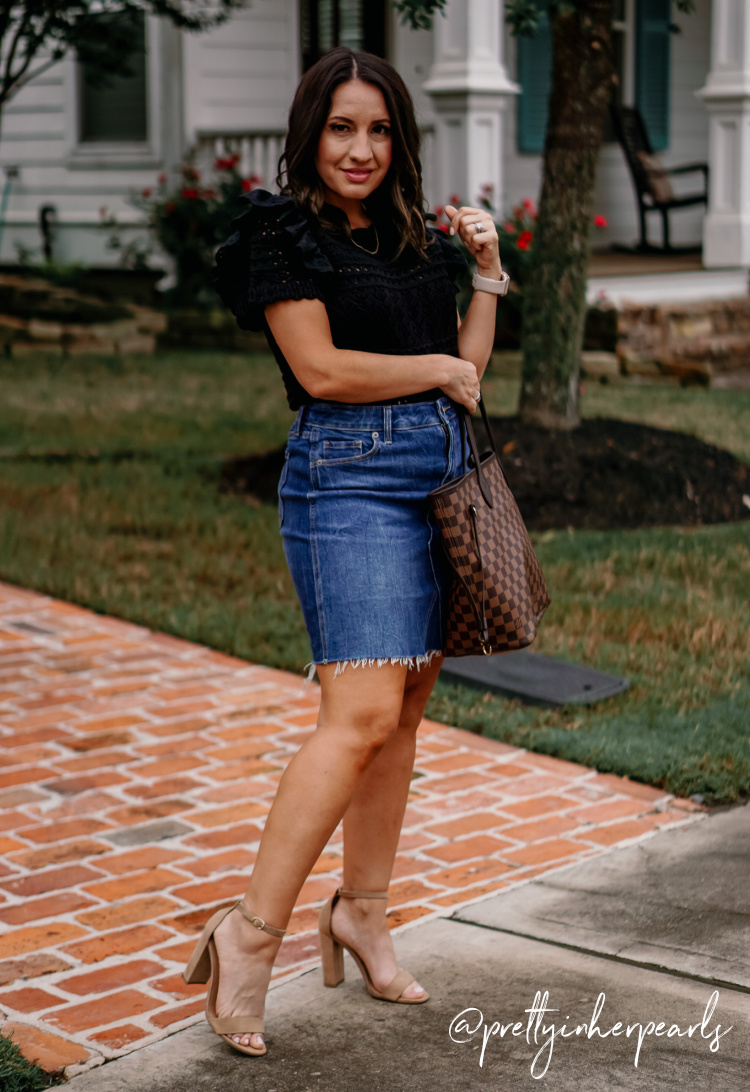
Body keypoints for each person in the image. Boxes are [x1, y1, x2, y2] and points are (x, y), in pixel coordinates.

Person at [183, 45, 505, 1057]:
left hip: (437, 476)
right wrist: (438, 364)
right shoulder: (281, 231)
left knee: (406, 704)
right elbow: (320, 370)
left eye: (378, 129)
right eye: (341, 128)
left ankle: (362, 912)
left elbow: (471, 371)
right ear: (309, 133)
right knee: (359, 709)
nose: (360, 149)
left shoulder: (415, 234)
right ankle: (248, 935)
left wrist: (488, 273)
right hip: (350, 478)